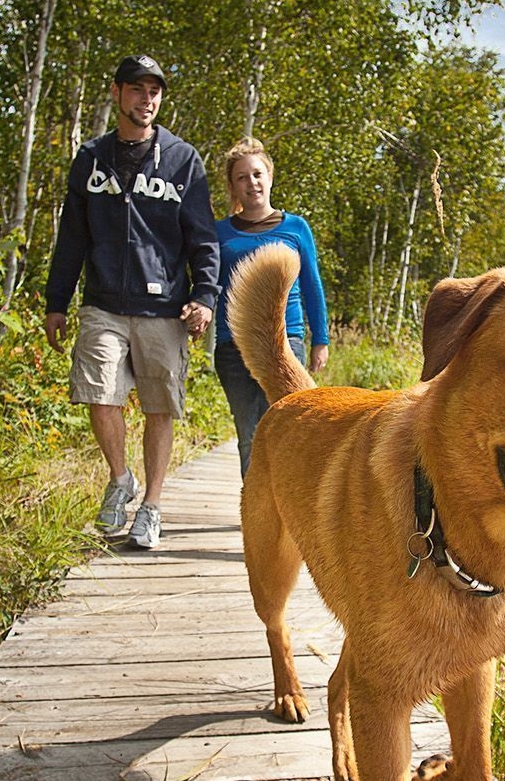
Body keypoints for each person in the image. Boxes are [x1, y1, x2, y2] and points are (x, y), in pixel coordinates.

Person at [45, 54, 218, 551]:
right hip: (102, 301)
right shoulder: (91, 158)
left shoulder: (183, 159)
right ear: (118, 94)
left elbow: (203, 240)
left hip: (163, 308)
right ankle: (121, 478)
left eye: (155, 92)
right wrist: (57, 300)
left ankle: (152, 506)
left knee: (159, 407)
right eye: (138, 90)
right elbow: (71, 236)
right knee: (99, 394)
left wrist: (204, 296)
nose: (147, 100)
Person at [212, 137, 329, 475]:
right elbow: (207, 283)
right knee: (248, 434)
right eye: (242, 177)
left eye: (258, 174)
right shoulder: (219, 232)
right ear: (233, 186)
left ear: (270, 177)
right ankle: (256, 512)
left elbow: (312, 286)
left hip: (285, 342)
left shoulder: (295, 228)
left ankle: (287, 511)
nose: (252, 183)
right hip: (232, 346)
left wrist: (320, 339)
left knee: (287, 428)